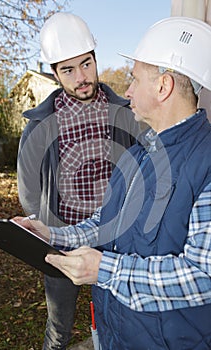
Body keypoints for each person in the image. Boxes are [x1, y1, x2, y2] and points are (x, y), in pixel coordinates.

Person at [15, 16, 211, 349]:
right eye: (68, 69)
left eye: (134, 79)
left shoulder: (203, 162)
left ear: (163, 87)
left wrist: (105, 269)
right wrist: (53, 234)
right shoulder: (138, 155)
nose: (127, 89)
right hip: (118, 332)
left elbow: (203, 276)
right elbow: (107, 223)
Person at [17, 12, 142, 350]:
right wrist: (52, 232)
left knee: (117, 323)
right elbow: (28, 191)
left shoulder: (129, 114)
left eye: (86, 64)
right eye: (68, 70)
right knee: (59, 330)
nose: (81, 77)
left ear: (96, 59)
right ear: (55, 74)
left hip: (117, 243)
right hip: (63, 244)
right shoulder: (39, 128)